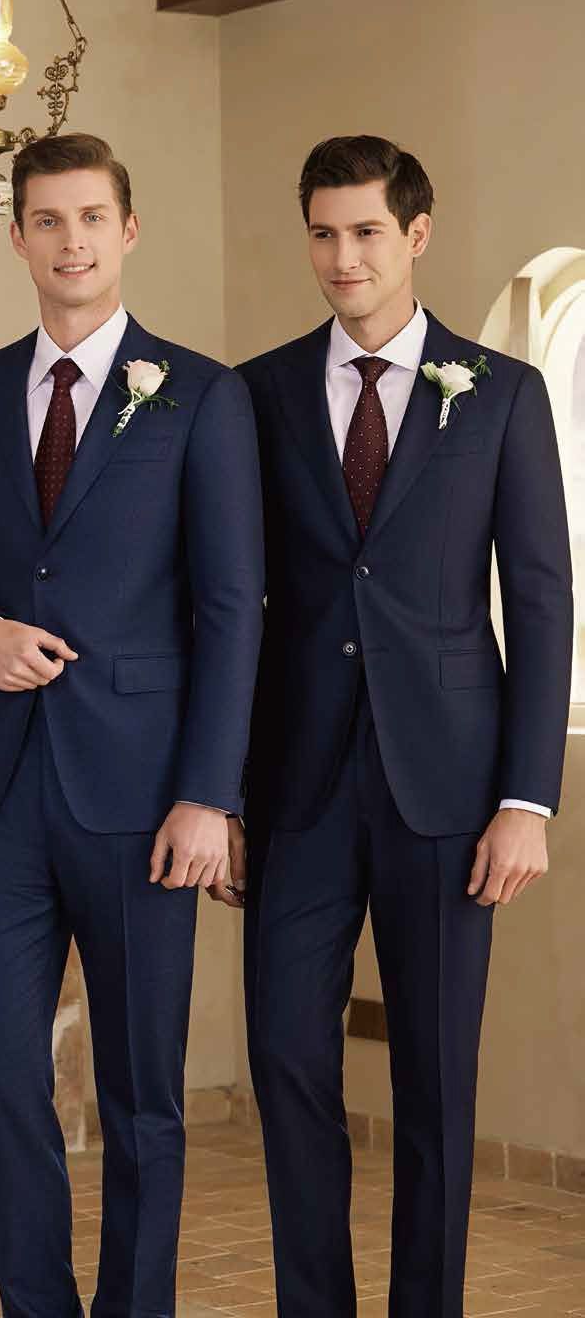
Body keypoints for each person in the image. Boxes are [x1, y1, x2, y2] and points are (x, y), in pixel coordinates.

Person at [0, 132, 264, 1318]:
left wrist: (210, 794)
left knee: (142, 1100)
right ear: (16, 235)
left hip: (145, 801)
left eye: (90, 218)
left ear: (127, 230)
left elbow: (229, 609)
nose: (70, 241)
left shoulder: (203, 395)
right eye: (46, 220)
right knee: (6, 1086)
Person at [235, 136, 574, 1317]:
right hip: (295, 790)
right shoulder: (259, 391)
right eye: (323, 232)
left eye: (366, 232)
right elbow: (228, 602)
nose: (342, 257)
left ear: (414, 236)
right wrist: (222, 792)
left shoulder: (504, 392)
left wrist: (528, 799)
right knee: (284, 1060)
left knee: (434, 1081)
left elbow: (539, 599)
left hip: (452, 791)